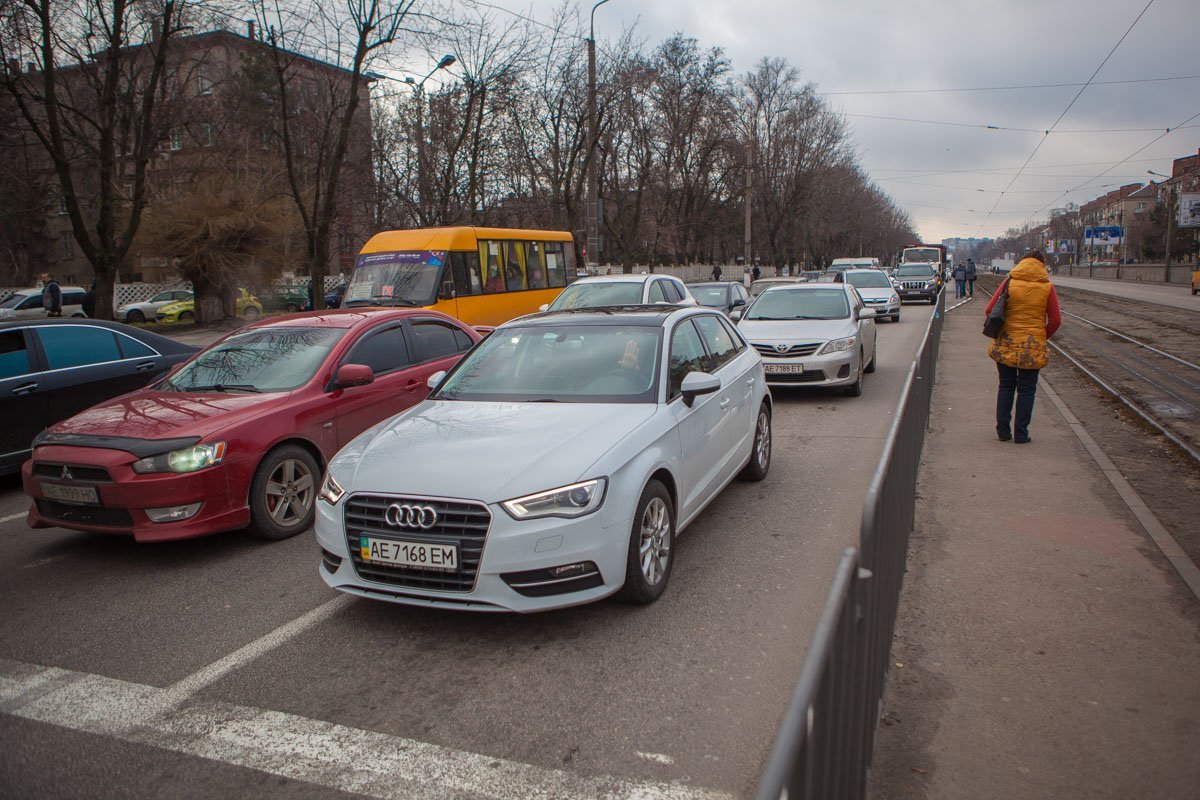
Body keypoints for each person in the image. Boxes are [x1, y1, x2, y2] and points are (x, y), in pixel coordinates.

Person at [985, 249, 1061, 444]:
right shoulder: (1047, 287)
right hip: (1032, 346)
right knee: (1027, 390)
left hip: (1007, 343)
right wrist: (1041, 337)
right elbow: (1055, 320)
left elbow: (989, 310)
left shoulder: (1009, 281)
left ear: (1023, 262)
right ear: (1042, 265)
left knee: (1006, 385)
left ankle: (1003, 431)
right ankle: (1021, 433)